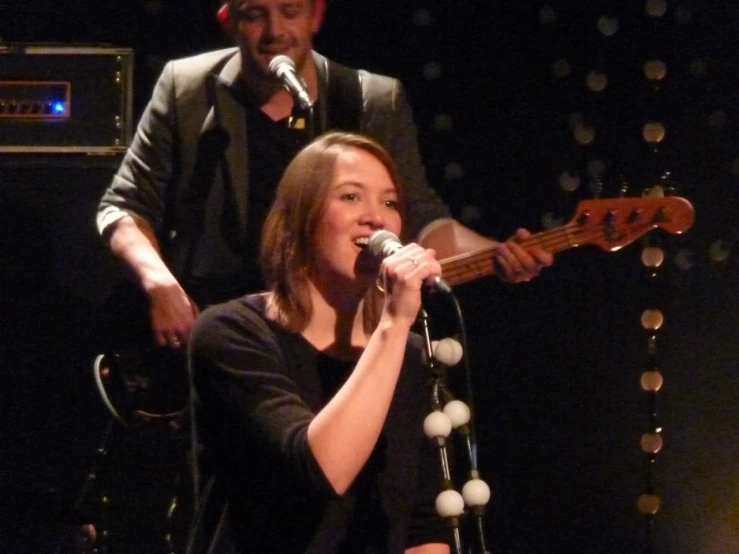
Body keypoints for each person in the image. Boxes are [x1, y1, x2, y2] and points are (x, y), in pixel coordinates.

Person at [96, 0, 553, 352]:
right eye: (256, 15)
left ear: (316, 16)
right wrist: (161, 285)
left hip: (339, 338)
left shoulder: (372, 100)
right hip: (223, 334)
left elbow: (419, 216)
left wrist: (497, 253)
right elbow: (124, 207)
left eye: (290, 11)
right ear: (229, 20)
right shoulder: (187, 87)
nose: (275, 32)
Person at [187, 132, 451, 553]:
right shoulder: (231, 333)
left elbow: (423, 525)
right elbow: (321, 469)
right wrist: (395, 321)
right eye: (350, 197)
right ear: (300, 218)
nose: (376, 218)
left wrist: (394, 331)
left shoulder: (411, 354)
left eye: (389, 203)